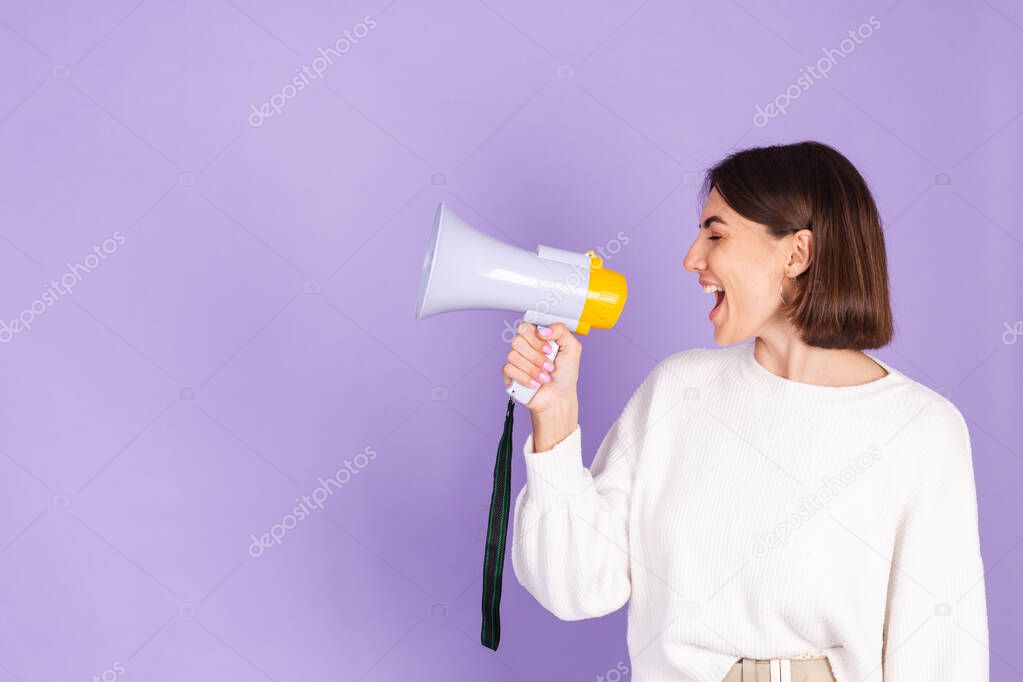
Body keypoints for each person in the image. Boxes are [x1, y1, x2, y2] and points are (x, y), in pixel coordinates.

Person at [502, 141, 988, 682]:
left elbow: (943, 657)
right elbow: (573, 586)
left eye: (716, 234)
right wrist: (555, 414)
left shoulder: (920, 429)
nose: (692, 258)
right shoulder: (677, 391)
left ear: (796, 254)